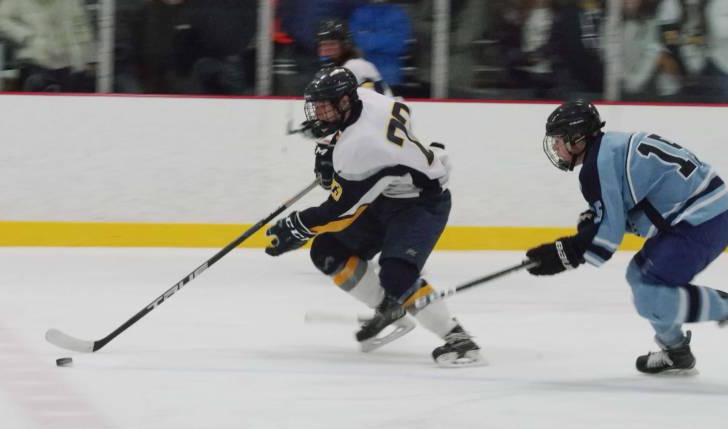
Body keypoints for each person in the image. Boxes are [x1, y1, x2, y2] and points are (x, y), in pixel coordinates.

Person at [264, 67, 481, 367]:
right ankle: (388, 308)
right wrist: (331, 145)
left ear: (343, 103)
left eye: (324, 106)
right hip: (388, 191)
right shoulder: (366, 97)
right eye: (317, 106)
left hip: (421, 202)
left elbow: (337, 213)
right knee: (327, 251)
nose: (318, 113)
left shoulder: (359, 149)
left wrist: (297, 226)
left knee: (397, 274)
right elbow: (398, 114)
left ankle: (460, 341)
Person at [525, 99, 728, 374]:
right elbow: (627, 213)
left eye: (559, 140)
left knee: (649, 293)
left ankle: (722, 309)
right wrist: (593, 225)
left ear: (578, 138)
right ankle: (676, 351)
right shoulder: (609, 149)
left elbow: (608, 236)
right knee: (638, 274)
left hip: (703, 219)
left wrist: (565, 253)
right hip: (703, 212)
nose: (556, 147)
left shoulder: (596, 166)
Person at [0, 0, 96, 92]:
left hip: (70, 63)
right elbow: (0, 19)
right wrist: (28, 37)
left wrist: (87, 57)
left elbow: (81, 24)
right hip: (35, 62)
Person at [316, 19, 393, 97]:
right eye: (323, 45)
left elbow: (375, 101)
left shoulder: (357, 66)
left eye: (332, 44)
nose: (326, 50)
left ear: (345, 46)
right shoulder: (331, 70)